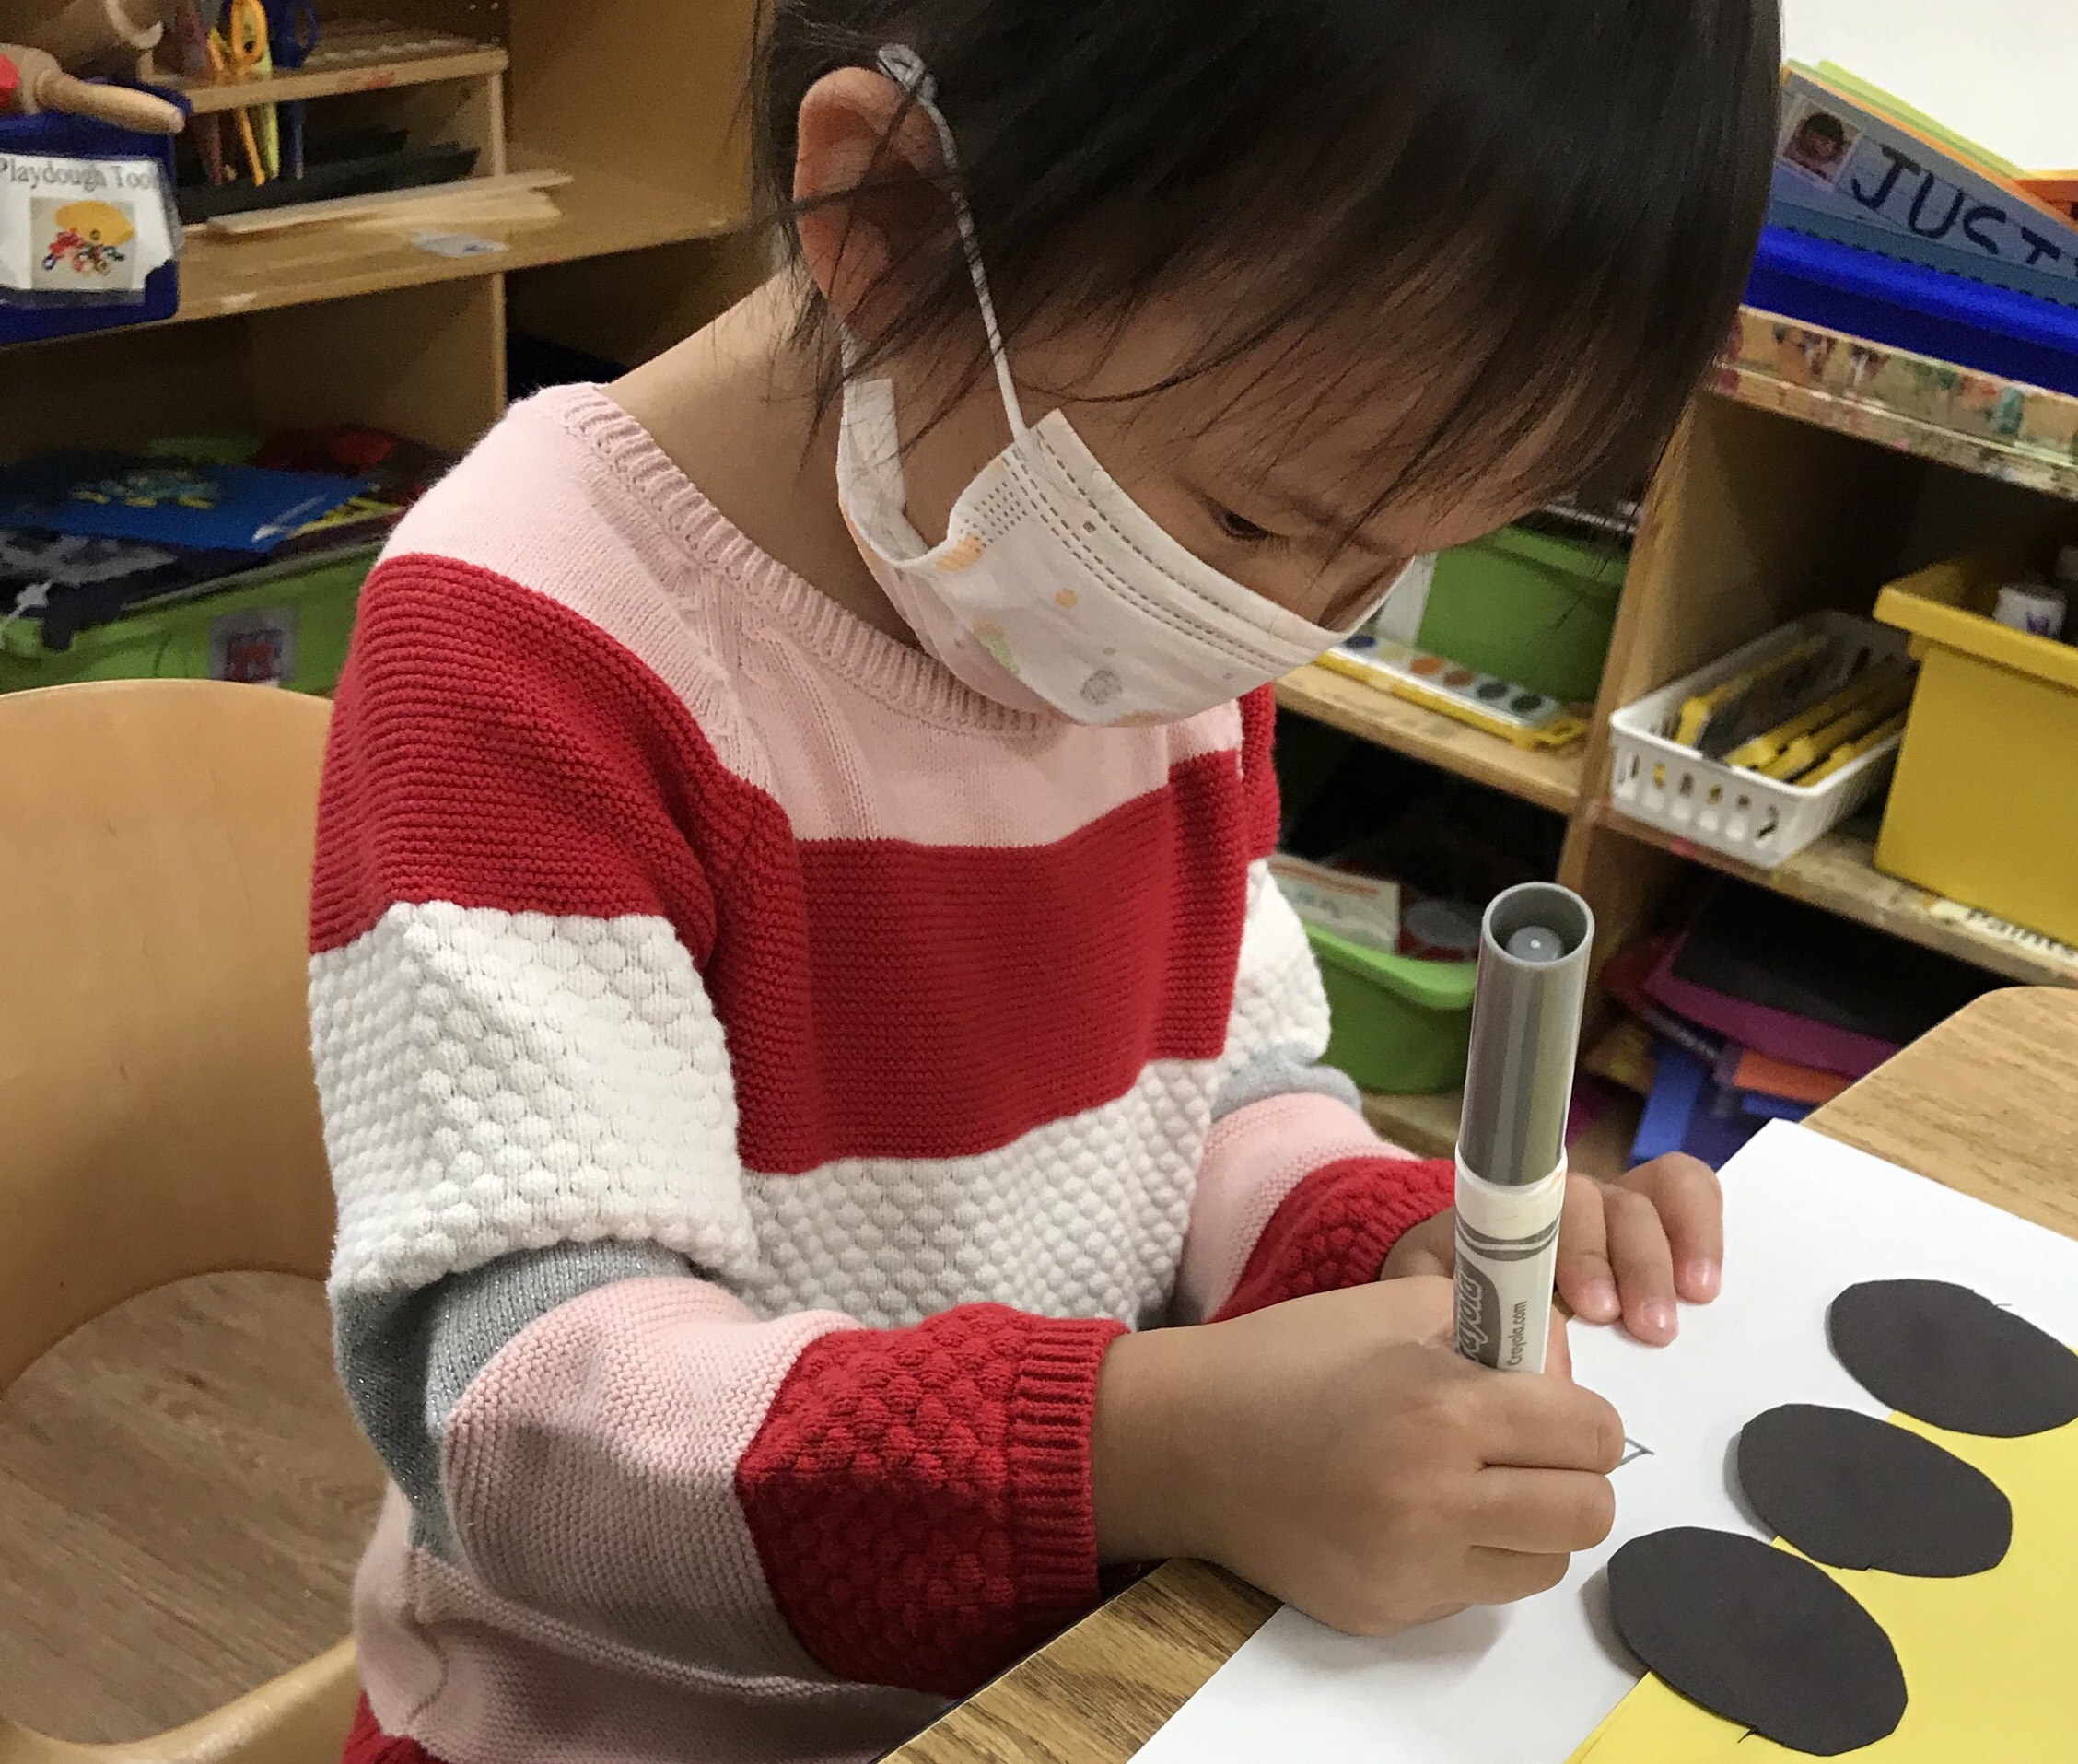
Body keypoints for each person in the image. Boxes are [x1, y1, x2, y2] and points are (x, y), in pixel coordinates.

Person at [314, 4, 1778, 1761]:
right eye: (1258, 525)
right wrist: (1154, 1445)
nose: (1297, 623)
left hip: (1062, 1675)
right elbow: (518, 1431)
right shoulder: (529, 650)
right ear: (886, 215)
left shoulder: (1111, 589)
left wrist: (1381, 1248)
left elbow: (1227, 1088)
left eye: (1400, 555)